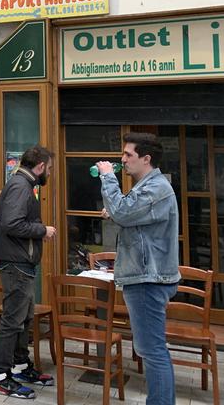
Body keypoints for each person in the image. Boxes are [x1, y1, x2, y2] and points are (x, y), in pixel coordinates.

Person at [98, 133, 180, 405]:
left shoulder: (156, 188)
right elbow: (130, 215)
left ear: (146, 159)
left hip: (149, 279)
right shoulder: (148, 186)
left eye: (128, 155)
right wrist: (118, 212)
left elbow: (124, 212)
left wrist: (108, 177)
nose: (122, 160)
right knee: (150, 349)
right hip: (145, 276)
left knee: (152, 350)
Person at [0, 145, 57, 400]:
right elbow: (11, 223)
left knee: (23, 318)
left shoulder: (24, 185)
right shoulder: (20, 186)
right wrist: (42, 230)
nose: (49, 173)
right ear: (39, 167)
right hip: (16, 264)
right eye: (49, 169)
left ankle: (19, 365)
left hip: (22, 263)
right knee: (12, 321)